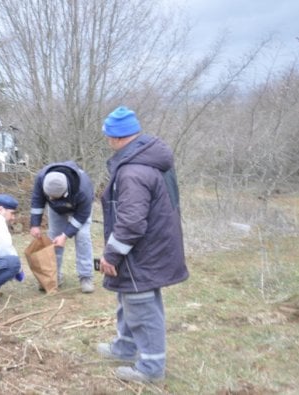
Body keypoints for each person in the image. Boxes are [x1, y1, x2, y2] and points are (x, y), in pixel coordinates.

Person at [95, 106, 189, 383]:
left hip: (143, 251)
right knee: (128, 299)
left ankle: (151, 368)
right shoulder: (145, 162)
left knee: (142, 306)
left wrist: (111, 254)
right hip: (151, 248)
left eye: (108, 136)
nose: (107, 141)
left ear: (117, 137)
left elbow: (132, 222)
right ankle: (125, 347)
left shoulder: (133, 172)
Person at [29, 162, 95, 293]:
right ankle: (53, 277)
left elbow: (82, 216)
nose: (52, 198)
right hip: (56, 210)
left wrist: (65, 235)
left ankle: (86, 277)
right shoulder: (42, 178)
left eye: (55, 197)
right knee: (54, 239)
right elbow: (37, 200)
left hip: (79, 209)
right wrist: (35, 224)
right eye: (50, 197)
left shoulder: (83, 188)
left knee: (83, 237)